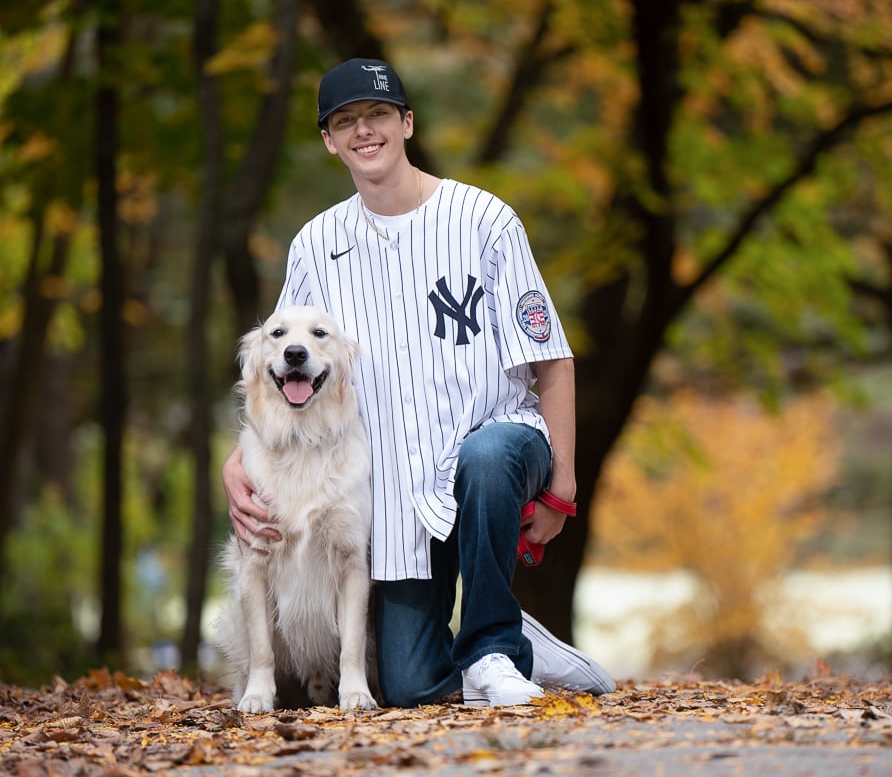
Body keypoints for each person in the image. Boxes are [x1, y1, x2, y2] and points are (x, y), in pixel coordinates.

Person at [222, 57, 613, 707]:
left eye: (377, 115)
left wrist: (563, 486)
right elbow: (281, 369)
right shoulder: (316, 245)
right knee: (407, 683)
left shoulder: (485, 222)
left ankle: (492, 646)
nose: (363, 131)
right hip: (395, 501)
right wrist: (237, 464)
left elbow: (553, 358)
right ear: (328, 139)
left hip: (495, 455)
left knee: (486, 454)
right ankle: (522, 645)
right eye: (345, 122)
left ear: (406, 122)